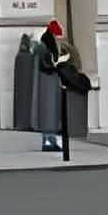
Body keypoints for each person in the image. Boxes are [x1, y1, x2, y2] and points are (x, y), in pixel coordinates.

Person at [34, 21, 81, 154]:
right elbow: (48, 64)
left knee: (51, 113)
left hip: (49, 82)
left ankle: (50, 141)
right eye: (57, 36)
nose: (58, 39)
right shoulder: (45, 46)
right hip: (48, 82)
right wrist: (58, 61)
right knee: (49, 112)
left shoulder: (45, 44)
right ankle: (49, 142)